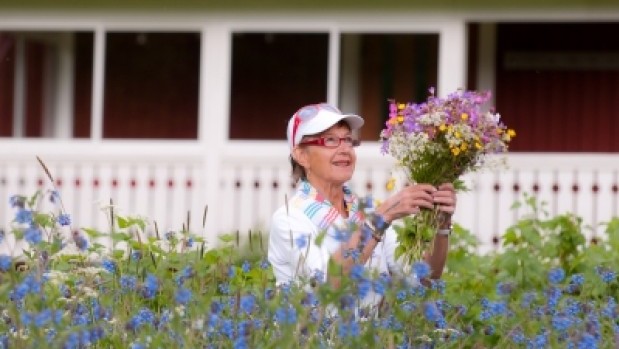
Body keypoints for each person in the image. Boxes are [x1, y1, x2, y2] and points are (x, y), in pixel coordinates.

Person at [268, 103, 457, 308]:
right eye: (330, 140)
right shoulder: (289, 217)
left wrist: (441, 226)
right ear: (301, 156)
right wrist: (381, 218)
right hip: (315, 338)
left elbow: (423, 278)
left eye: (348, 140)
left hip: (371, 339)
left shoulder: (364, 211)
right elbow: (327, 284)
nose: (345, 149)